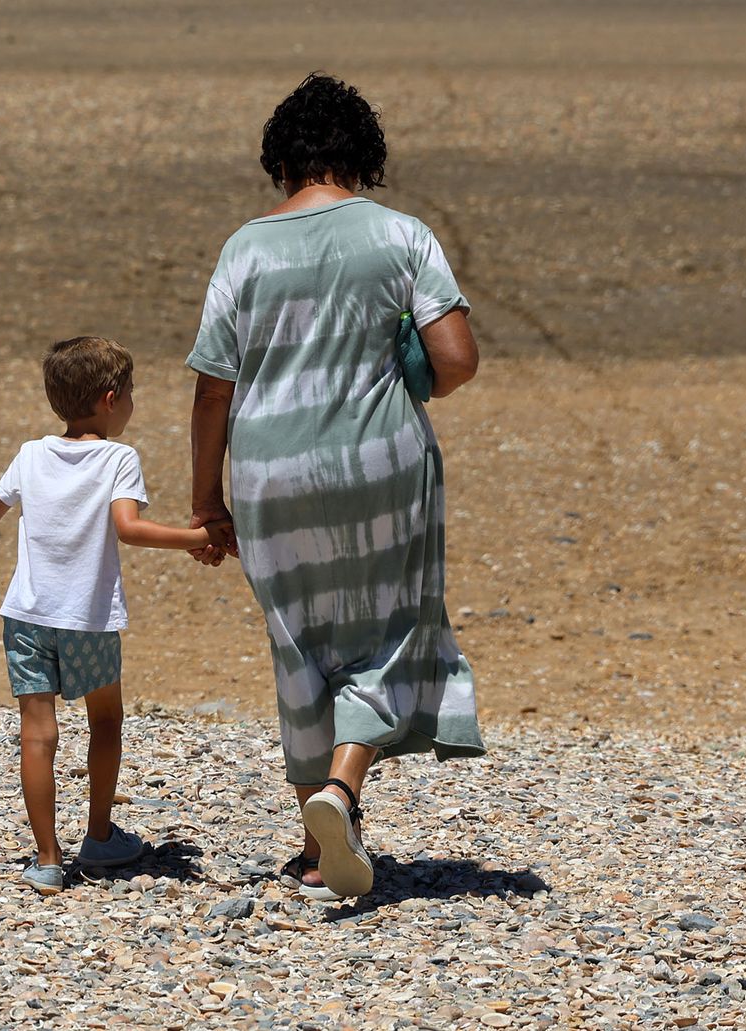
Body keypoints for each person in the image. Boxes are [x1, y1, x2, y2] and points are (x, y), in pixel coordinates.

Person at [185, 73, 485, 901]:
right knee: (390, 628)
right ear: (363, 158)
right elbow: (456, 360)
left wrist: (207, 499)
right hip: (377, 460)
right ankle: (342, 790)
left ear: (282, 161)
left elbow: (214, 384)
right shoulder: (402, 235)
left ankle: (319, 851)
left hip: (268, 466)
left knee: (299, 640)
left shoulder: (245, 246)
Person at [0, 336, 214, 895]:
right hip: (87, 617)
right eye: (130, 394)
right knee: (105, 722)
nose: (131, 404)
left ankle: (48, 858)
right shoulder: (119, 458)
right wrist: (197, 537)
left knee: (37, 733)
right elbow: (129, 528)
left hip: (26, 613)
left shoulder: (31, 454)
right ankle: (98, 836)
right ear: (108, 399)